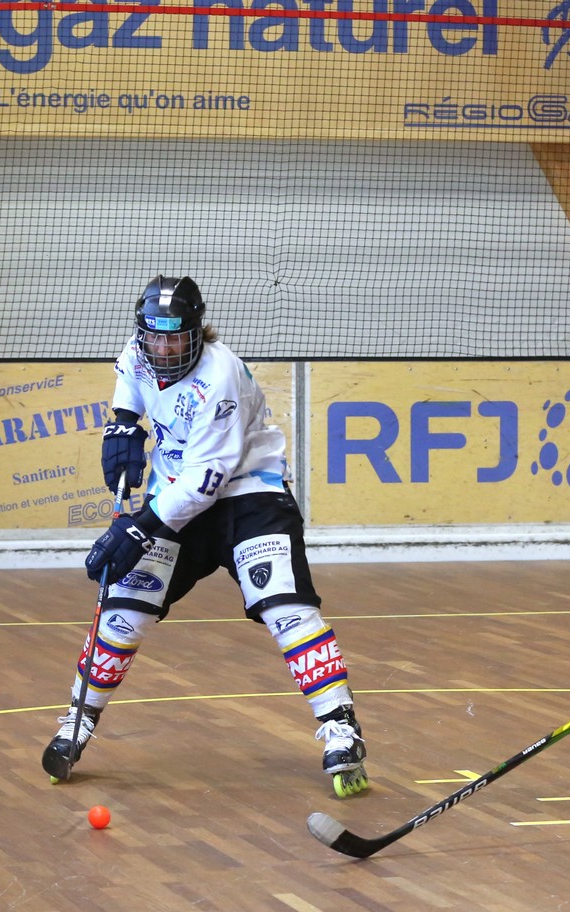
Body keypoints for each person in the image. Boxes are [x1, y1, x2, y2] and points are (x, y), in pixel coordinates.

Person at [42, 275, 369, 797]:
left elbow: (204, 481)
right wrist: (123, 423)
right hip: (173, 495)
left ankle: (340, 727)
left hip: (247, 497)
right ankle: (77, 722)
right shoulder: (139, 351)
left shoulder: (220, 378)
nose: (164, 350)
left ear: (197, 333)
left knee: (285, 608)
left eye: (176, 339)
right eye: (155, 338)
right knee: (125, 608)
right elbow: (130, 380)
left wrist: (139, 528)